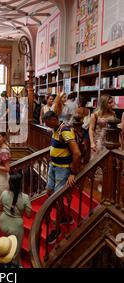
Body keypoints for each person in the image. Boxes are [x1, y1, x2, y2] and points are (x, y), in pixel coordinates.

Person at [42, 111, 81, 244]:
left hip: (62, 169)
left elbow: (76, 153)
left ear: (54, 119)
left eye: (48, 123)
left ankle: (56, 229)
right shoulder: (56, 128)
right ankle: (66, 217)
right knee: (49, 192)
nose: (47, 126)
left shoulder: (65, 130)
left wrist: (73, 173)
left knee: (57, 199)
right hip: (54, 166)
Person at [0, 174, 31, 265]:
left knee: (5, 245)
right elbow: (29, 215)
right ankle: (14, 264)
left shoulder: (4, 193)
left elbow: (0, 207)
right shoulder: (25, 197)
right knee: (15, 250)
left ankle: (2, 261)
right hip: (16, 226)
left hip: (3, 222)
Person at [89, 95, 116, 192]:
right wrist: (92, 142)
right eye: (110, 102)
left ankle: (105, 183)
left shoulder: (113, 113)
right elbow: (91, 129)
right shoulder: (95, 115)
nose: (112, 104)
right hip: (98, 141)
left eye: (112, 102)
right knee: (97, 163)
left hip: (110, 141)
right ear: (104, 103)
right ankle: (97, 183)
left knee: (108, 163)